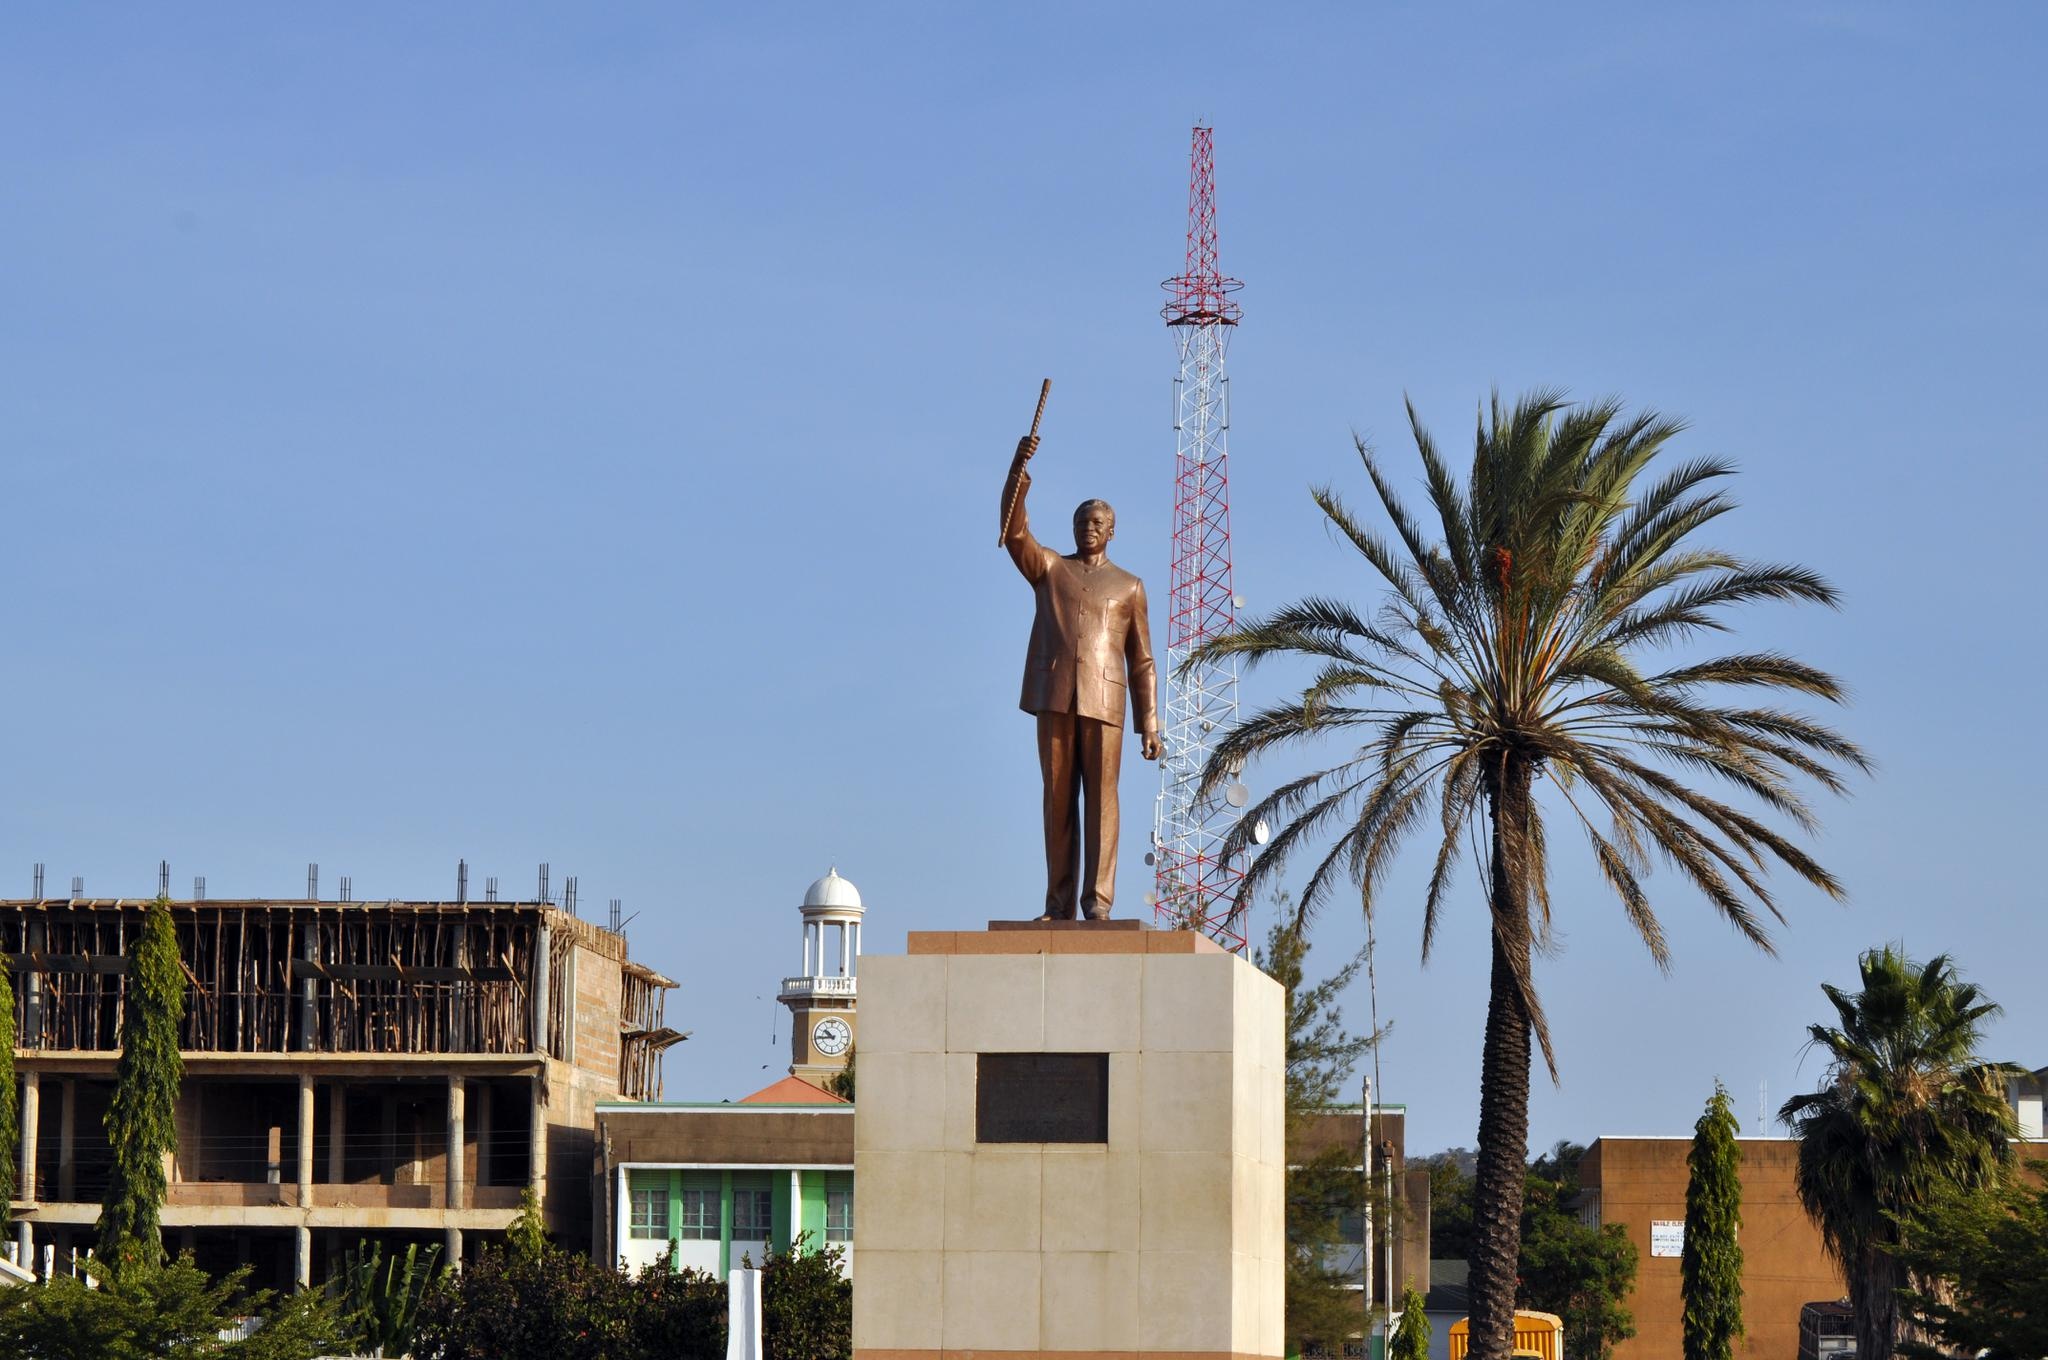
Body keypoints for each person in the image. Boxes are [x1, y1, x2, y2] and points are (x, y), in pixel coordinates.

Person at [999, 432, 1162, 920]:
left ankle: (1098, 904)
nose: (1087, 529)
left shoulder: (1130, 586)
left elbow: (1143, 660)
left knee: (1102, 802)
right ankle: (1057, 905)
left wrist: (1149, 722)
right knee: (1057, 801)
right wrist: (1017, 474)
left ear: (1111, 531)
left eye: (1096, 523)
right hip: (1054, 696)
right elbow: (1013, 533)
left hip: (1105, 701)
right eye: (1080, 522)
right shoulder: (1051, 568)